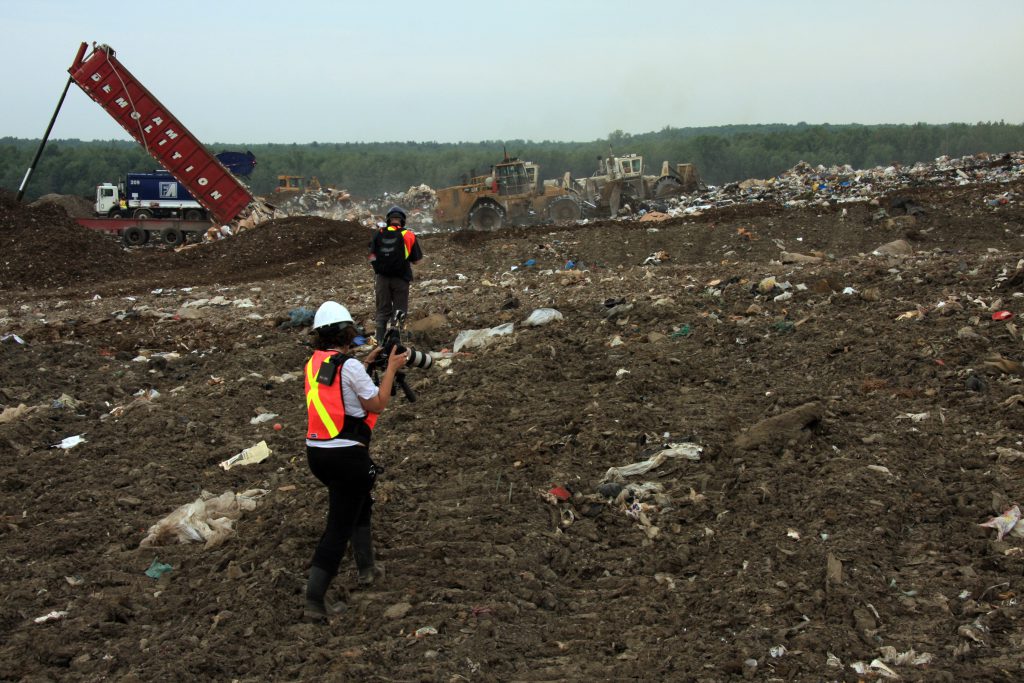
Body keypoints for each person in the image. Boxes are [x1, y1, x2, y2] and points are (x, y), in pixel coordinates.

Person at [302, 300, 408, 621]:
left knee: (360, 504)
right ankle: (315, 601)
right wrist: (391, 369)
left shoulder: (315, 363)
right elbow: (377, 403)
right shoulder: (348, 366)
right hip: (346, 457)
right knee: (338, 527)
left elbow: (339, 385)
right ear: (348, 333)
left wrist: (366, 364)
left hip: (318, 453)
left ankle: (367, 569)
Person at [369, 205, 423, 343]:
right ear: (402, 220)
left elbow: (371, 256)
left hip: (382, 279)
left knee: (382, 311)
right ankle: (395, 343)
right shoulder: (408, 235)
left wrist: (379, 267)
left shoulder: (378, 233)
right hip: (401, 278)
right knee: (399, 311)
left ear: (388, 220)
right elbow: (417, 260)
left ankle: (379, 342)